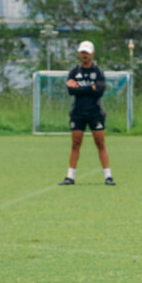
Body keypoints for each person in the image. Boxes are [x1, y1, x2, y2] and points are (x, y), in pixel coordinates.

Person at [59, 41, 115, 186]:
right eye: (83, 52)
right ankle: (70, 177)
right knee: (75, 144)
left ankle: (108, 176)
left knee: (100, 143)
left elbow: (99, 91)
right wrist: (90, 88)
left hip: (95, 113)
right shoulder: (74, 71)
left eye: (87, 53)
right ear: (79, 53)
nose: (85, 55)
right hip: (78, 113)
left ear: (92, 54)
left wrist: (80, 87)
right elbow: (71, 90)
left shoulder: (98, 72)